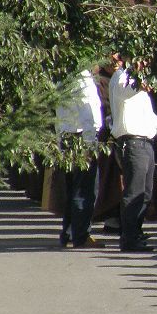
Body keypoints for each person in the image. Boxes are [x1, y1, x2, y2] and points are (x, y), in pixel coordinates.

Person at [109, 59, 157, 252]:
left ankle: (135, 232)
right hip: (132, 141)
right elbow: (124, 92)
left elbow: (149, 113)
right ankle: (129, 238)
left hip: (146, 142)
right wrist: (138, 80)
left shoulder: (139, 82)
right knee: (134, 192)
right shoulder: (122, 78)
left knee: (146, 193)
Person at [56, 69, 104, 248]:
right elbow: (87, 109)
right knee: (84, 189)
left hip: (67, 135)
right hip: (81, 137)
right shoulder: (82, 76)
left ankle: (68, 231)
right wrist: (90, 142)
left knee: (72, 188)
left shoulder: (63, 74)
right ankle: (81, 234)